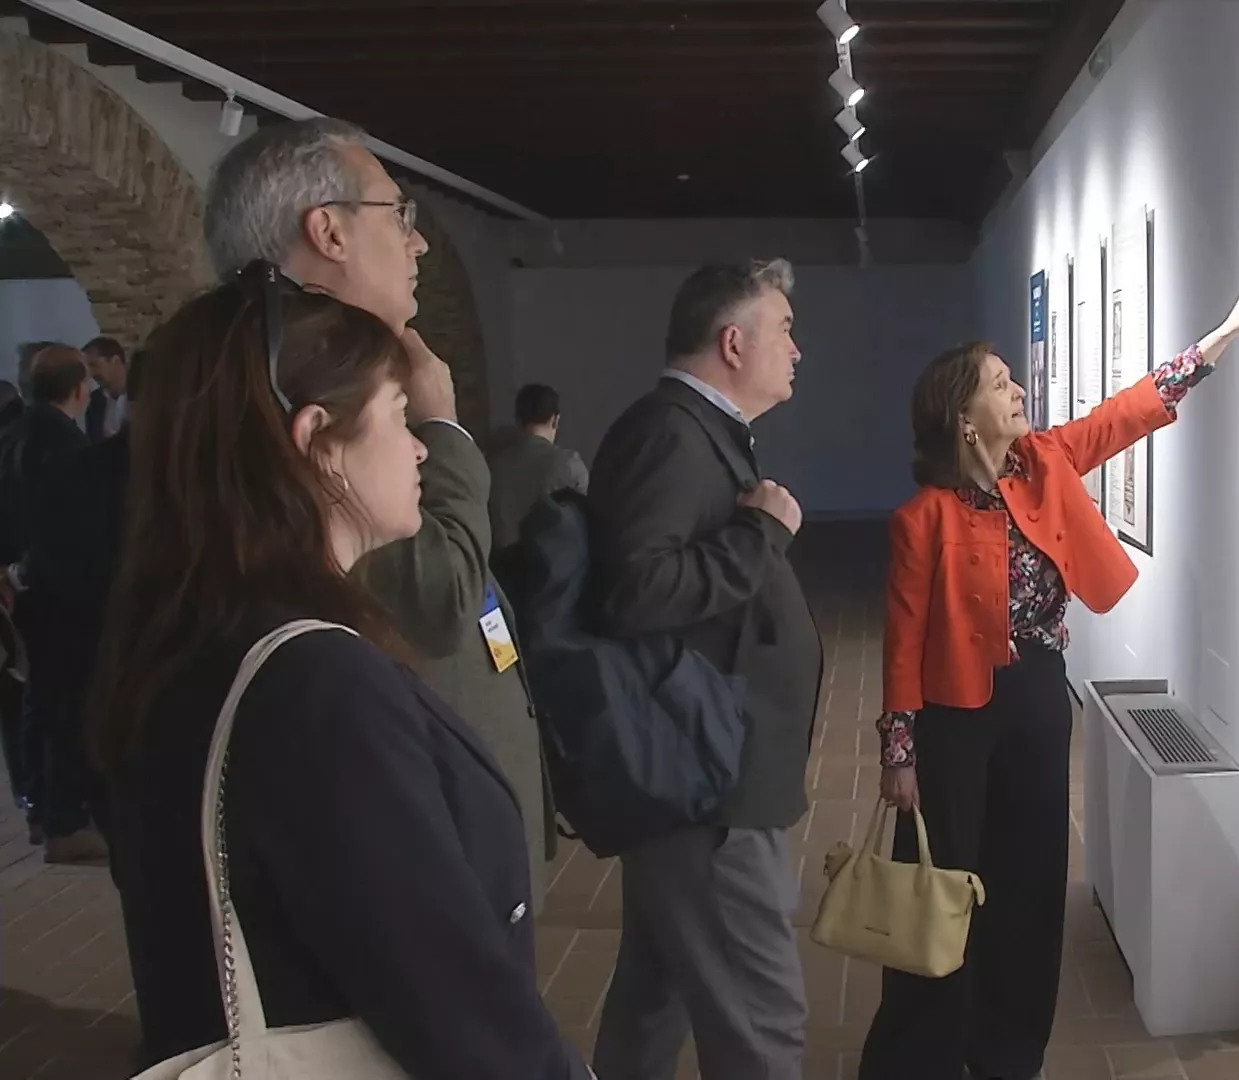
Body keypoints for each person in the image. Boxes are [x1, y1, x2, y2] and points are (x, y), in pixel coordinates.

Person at [92, 273, 589, 1080]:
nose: (421, 444)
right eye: (399, 415)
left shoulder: (195, 630)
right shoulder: (315, 684)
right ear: (318, 440)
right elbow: (455, 1007)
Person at [859, 271, 1239, 1080]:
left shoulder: (1044, 462)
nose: (1018, 391)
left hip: (1036, 703)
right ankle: (920, 1056)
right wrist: (898, 752)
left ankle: (1009, 1054)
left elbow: (1126, 414)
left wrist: (1218, 341)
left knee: (1028, 885)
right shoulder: (922, 519)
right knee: (943, 888)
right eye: (999, 384)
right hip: (954, 714)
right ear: (963, 418)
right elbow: (903, 642)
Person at [204, 117, 554, 903]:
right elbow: (434, 599)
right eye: (399, 215)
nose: (418, 243)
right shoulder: (297, 391)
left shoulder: (309, 370)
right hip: (413, 838)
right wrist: (447, 427)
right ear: (327, 230)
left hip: (439, 809)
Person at [588, 258, 819, 1080]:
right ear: (733, 341)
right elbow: (637, 589)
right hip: (706, 786)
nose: (797, 350)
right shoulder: (670, 435)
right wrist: (763, 533)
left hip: (698, 773)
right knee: (762, 1022)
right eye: (785, 330)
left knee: (658, 995)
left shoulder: (691, 430)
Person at [0, 346, 102, 863]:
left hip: (25, 592)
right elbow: (65, 530)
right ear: (81, 390)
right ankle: (66, 821)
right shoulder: (67, 447)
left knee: (39, 700)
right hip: (62, 594)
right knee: (67, 705)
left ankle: (40, 808)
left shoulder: (14, 435)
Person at [487, 382, 589, 551]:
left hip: (502, 571)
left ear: (518, 421)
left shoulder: (494, 466)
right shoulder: (569, 465)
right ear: (555, 420)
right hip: (558, 571)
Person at [81, 335, 129, 441]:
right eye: (87, 367)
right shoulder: (94, 401)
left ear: (115, 360)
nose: (90, 373)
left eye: (94, 365)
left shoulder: (143, 396)